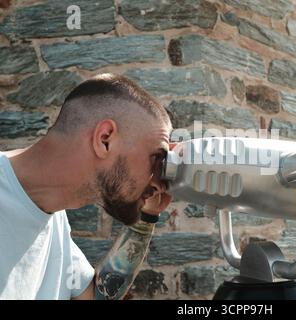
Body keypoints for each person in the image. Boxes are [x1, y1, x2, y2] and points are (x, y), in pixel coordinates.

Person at [0, 73, 173, 299]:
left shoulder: (53, 215)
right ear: (105, 139)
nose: (159, 183)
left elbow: (99, 296)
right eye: (156, 158)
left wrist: (147, 216)